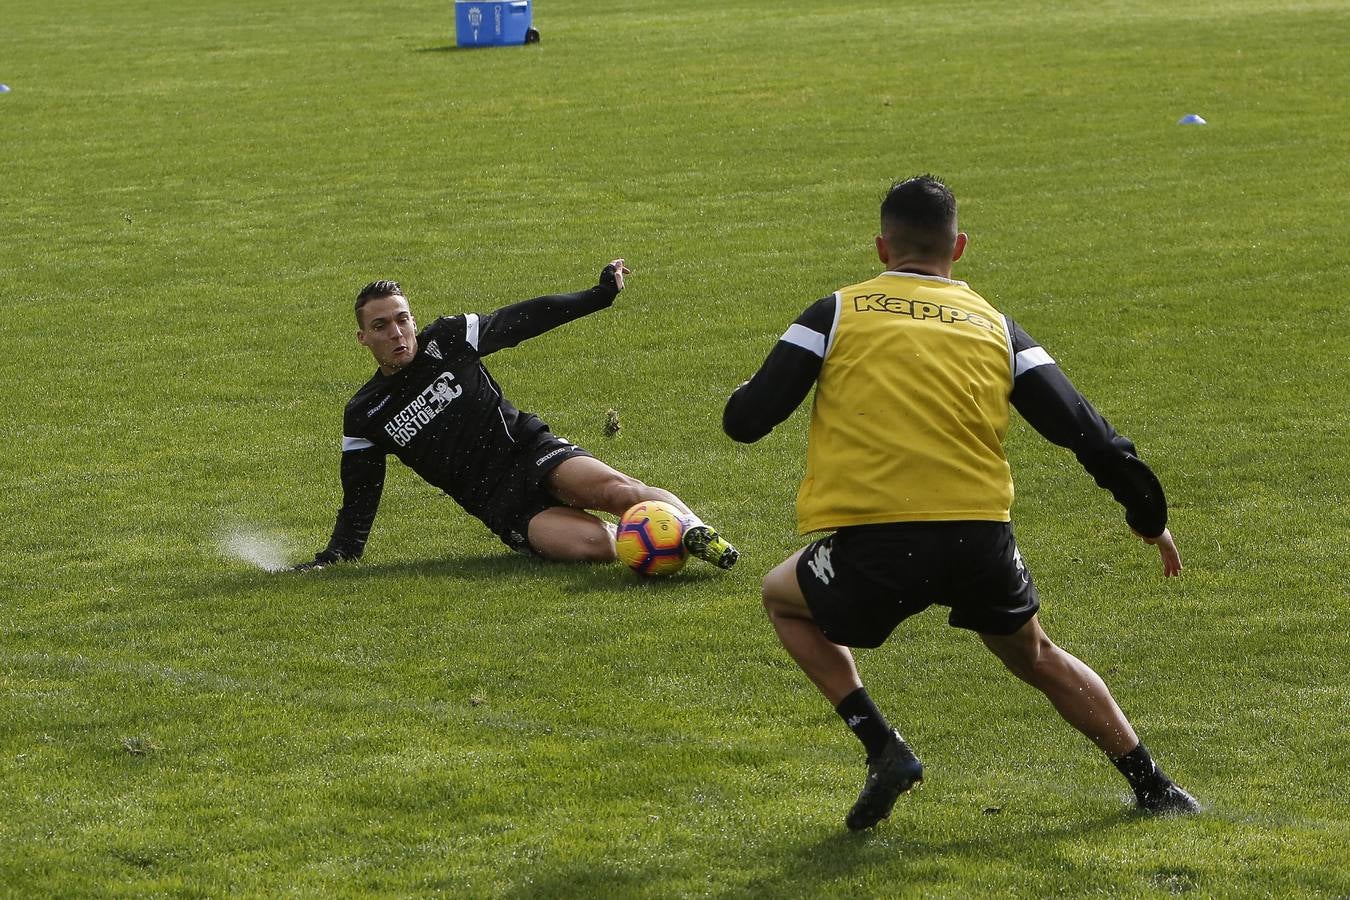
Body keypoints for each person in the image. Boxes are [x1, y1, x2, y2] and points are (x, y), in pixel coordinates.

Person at [722, 176, 1199, 831]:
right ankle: (1155, 786)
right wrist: (1148, 517)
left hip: (876, 542)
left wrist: (747, 389)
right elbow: (1088, 432)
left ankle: (883, 747)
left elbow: (746, 422)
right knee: (1035, 655)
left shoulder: (835, 313)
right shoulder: (999, 328)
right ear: (961, 247)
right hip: (979, 540)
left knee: (781, 596)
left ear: (883, 247)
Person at [294, 260, 738, 572]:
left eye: (402, 319)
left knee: (619, 489)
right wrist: (338, 555)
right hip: (499, 503)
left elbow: (525, 319)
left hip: (529, 451)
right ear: (362, 338)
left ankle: (698, 532)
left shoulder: (448, 338)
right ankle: (650, 540)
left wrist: (599, 296)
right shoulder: (365, 413)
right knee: (594, 546)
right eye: (381, 326)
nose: (396, 333)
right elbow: (361, 495)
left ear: (413, 320)